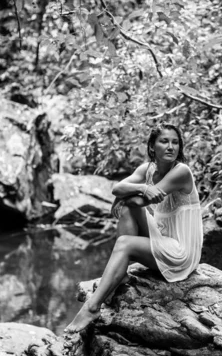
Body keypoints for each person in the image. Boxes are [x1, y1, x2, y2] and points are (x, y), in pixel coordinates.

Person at [64, 123, 204, 334]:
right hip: (163, 237)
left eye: (175, 142)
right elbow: (116, 188)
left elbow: (138, 201)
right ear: (152, 146)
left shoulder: (181, 172)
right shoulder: (148, 170)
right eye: (164, 141)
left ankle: (92, 306)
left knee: (125, 236)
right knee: (128, 206)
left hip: (181, 252)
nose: (170, 147)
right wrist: (141, 187)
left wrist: (128, 196)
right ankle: (120, 273)